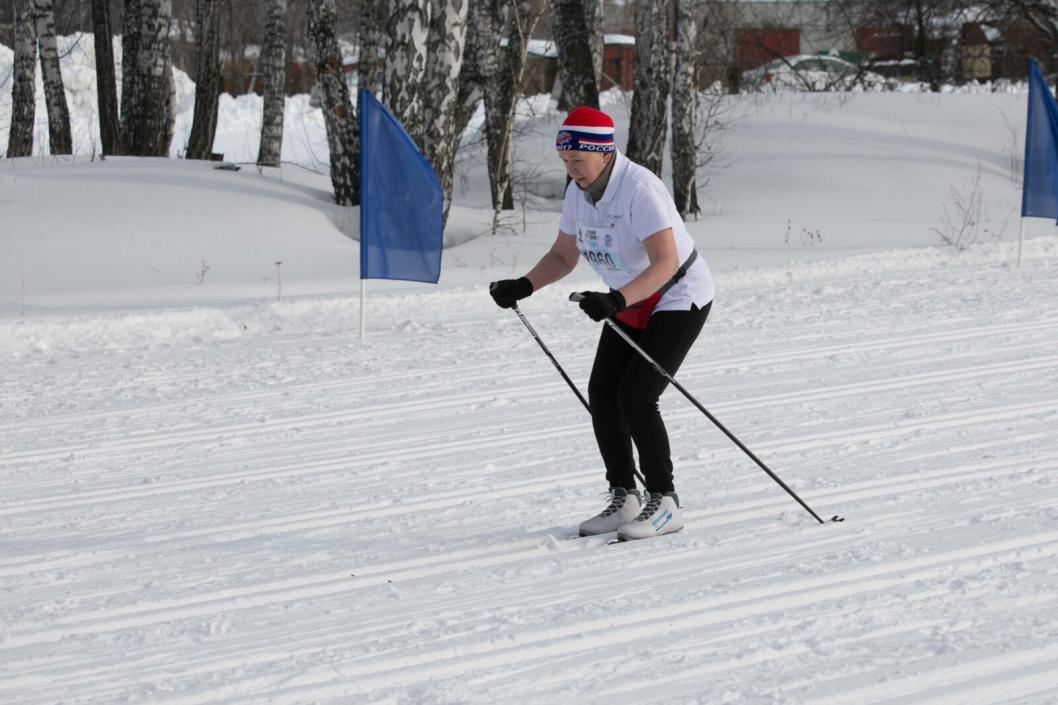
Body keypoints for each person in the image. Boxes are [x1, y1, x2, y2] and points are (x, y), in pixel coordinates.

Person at [489, 106, 715, 541]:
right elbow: (563, 256)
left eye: (578, 161)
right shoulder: (579, 192)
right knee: (603, 393)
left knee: (637, 395)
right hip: (626, 298)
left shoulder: (639, 190)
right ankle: (625, 494)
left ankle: (665, 501)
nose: (571, 170)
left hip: (676, 294)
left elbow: (666, 262)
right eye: (565, 161)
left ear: (605, 153)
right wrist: (523, 285)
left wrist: (615, 298)